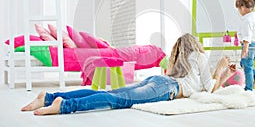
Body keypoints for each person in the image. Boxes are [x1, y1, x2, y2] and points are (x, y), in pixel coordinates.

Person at [21, 33, 234, 115]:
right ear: (195, 45)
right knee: (117, 99)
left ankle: (48, 97)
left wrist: (221, 76)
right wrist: (220, 68)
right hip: (167, 88)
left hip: (158, 80)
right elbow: (209, 90)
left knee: (113, 92)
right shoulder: (200, 56)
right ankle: (65, 106)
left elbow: (206, 88)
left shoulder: (180, 59)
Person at [235, 0, 255, 91]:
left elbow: (247, 35)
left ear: (242, 8)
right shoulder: (254, 17)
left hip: (249, 46)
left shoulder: (247, 20)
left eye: (238, 9)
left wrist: (245, 48)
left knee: (247, 68)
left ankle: (249, 88)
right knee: (245, 64)